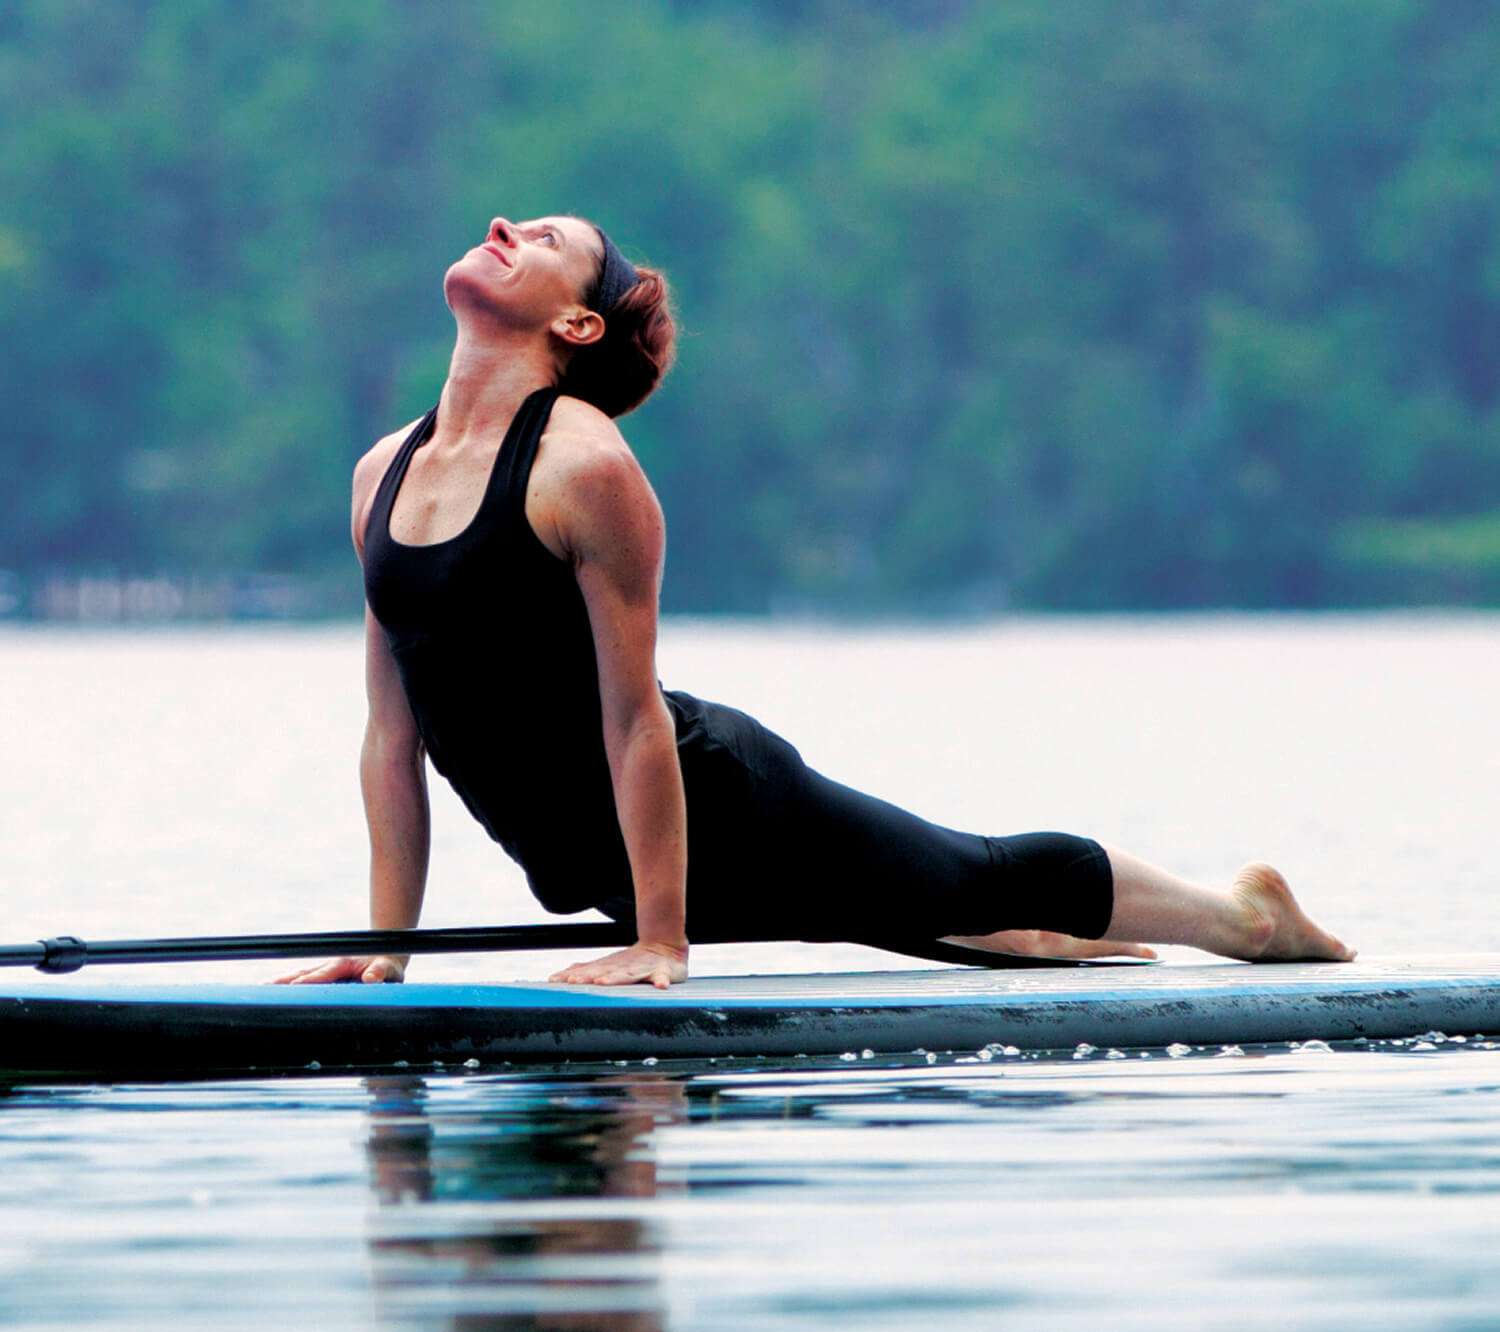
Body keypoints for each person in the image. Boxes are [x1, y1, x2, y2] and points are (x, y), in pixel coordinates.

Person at [277, 213, 1354, 992]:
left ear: (579, 327)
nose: (505, 225)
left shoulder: (582, 470)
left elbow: (632, 716)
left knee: (963, 879)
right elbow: (392, 732)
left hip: (722, 808)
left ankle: (1246, 917)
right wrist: (388, 945)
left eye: (550, 240)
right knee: (944, 920)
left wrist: (663, 944)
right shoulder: (384, 471)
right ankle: (1042, 938)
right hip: (596, 865)